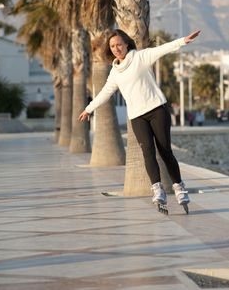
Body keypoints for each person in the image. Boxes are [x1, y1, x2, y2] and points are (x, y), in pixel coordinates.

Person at [79, 29, 201, 212]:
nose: (116, 48)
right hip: (137, 117)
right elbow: (105, 92)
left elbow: (163, 48)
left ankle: (179, 187)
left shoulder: (140, 57)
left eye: (119, 44)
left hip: (157, 110)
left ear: (127, 43)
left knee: (165, 150)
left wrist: (183, 41)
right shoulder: (115, 72)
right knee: (148, 152)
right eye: (112, 46)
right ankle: (157, 189)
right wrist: (88, 109)